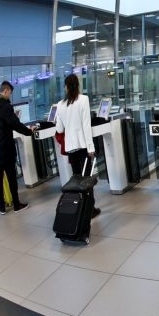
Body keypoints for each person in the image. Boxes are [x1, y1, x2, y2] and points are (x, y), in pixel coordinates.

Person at [0, 81, 33, 215]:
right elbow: (15, 124)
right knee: (11, 177)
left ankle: (2, 207)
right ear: (6, 90)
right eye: (10, 92)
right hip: (6, 148)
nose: (10, 95)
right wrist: (29, 131)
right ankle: (16, 205)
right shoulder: (5, 106)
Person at [55, 74, 100, 218]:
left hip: (71, 148)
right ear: (78, 85)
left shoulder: (60, 105)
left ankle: (78, 209)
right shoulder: (83, 100)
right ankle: (90, 210)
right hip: (84, 147)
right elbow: (86, 125)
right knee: (87, 180)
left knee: (76, 180)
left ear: (66, 87)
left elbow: (60, 129)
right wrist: (91, 148)